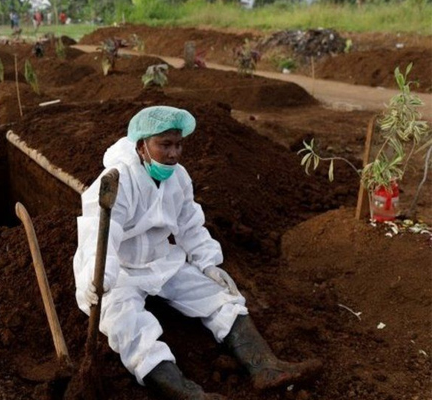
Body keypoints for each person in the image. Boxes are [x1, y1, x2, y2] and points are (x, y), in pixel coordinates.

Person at [73, 106, 322, 399]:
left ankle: (265, 367)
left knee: (221, 297)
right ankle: (189, 394)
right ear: (142, 145)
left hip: (161, 260)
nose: (174, 153)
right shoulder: (117, 180)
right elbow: (99, 234)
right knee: (129, 326)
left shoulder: (178, 178)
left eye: (178, 144)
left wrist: (208, 264)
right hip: (120, 271)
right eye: (165, 145)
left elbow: (190, 225)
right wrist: (98, 278)